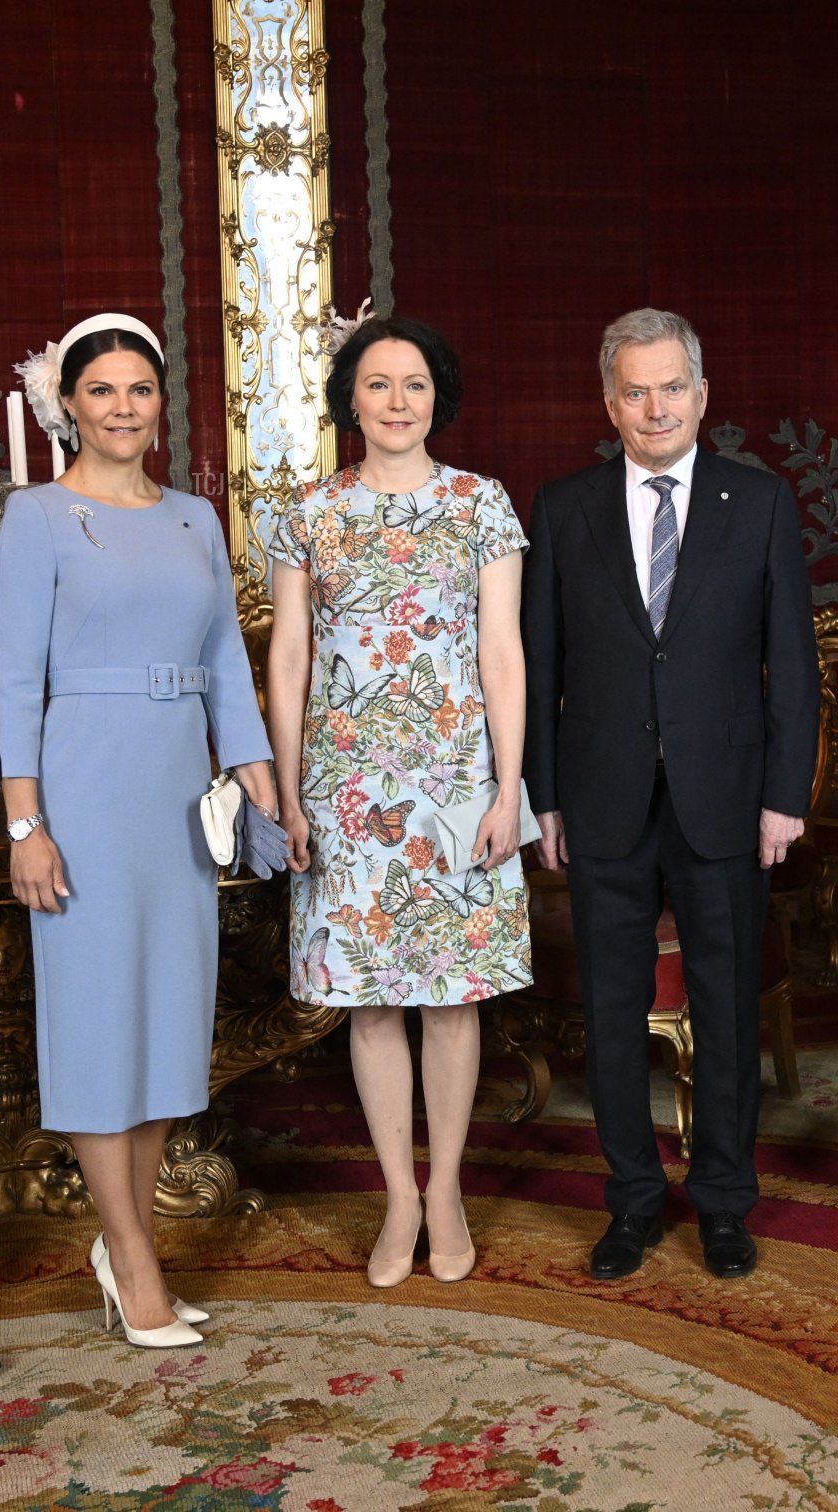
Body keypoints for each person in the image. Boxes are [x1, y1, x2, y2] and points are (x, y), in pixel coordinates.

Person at [0, 313, 281, 1348]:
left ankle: (125, 1241)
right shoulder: (35, 517)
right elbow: (15, 684)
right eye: (101, 390)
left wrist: (261, 787)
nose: (122, 408)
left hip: (174, 796)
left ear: (164, 404)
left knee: (164, 1024)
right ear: (66, 401)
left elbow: (228, 673)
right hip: (83, 789)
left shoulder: (199, 519)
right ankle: (135, 1257)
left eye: (140, 391)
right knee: (98, 1023)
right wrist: (25, 824)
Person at [522, 307, 818, 1281]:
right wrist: (544, 798)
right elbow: (538, 663)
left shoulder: (762, 503)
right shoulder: (563, 510)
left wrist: (785, 795)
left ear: (702, 393)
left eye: (672, 387)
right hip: (600, 799)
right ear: (611, 402)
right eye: (635, 390)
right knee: (611, 1013)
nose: (656, 407)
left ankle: (726, 1204)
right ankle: (634, 1202)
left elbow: (790, 664)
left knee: (725, 1006)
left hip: (728, 800)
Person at [266, 313, 531, 1288]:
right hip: (345, 792)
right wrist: (289, 794)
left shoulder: (480, 506)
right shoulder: (310, 514)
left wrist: (509, 787)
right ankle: (399, 1198)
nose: (395, 402)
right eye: (377, 384)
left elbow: (502, 655)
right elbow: (288, 657)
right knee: (372, 1003)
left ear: (437, 398)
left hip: (458, 785)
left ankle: (449, 1188)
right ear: (351, 401)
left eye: (413, 384)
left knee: (454, 1001)